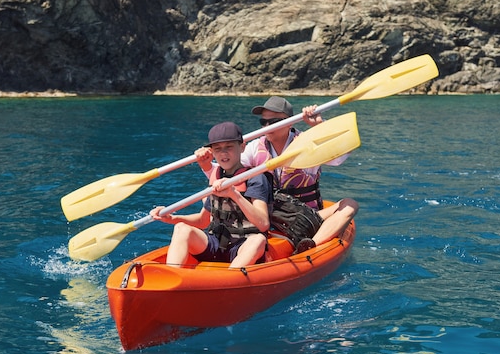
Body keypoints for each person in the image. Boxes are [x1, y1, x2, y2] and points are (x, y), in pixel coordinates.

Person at [197, 96, 358, 254]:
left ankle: (311, 244)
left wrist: (319, 126)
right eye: (263, 122)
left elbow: (339, 158)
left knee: (350, 205)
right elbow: (227, 169)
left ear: (290, 122)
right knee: (209, 195)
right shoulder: (255, 147)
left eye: (273, 122)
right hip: (272, 215)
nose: (267, 126)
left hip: (308, 214)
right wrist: (206, 164)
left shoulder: (309, 142)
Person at [150, 121, 273, 269]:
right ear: (213, 152)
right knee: (181, 228)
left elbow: (263, 224)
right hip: (216, 243)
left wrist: (234, 194)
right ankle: (171, 277)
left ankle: (229, 281)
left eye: (229, 147)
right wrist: (172, 218)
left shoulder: (255, 177)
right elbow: (203, 220)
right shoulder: (216, 175)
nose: (223, 153)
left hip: (243, 244)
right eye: (218, 149)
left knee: (258, 240)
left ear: (242, 147)